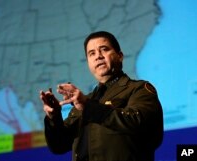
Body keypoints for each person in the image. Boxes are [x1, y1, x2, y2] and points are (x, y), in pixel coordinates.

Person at [39, 31, 163, 161]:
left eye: (104, 50)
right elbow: (59, 146)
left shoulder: (138, 89)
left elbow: (140, 124)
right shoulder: (83, 102)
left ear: (120, 56)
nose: (98, 56)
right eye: (91, 53)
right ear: (88, 63)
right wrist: (54, 117)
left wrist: (88, 106)